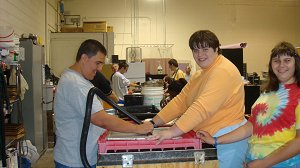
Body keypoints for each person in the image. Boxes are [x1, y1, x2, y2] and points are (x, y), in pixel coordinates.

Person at [147, 30, 248, 168]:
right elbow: (181, 101)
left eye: (205, 49)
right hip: (208, 137)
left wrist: (171, 132)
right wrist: (153, 123)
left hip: (227, 139)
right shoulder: (200, 74)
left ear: (217, 49)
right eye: (196, 50)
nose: (200, 55)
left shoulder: (223, 71)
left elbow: (202, 108)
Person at [197, 41, 300, 168]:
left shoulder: (298, 94)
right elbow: (250, 126)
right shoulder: (267, 94)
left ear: (296, 63)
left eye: (287, 60)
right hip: (252, 162)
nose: (281, 65)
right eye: (276, 60)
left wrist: (263, 163)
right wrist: (216, 140)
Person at [54, 39, 153, 168]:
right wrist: (137, 128)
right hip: (74, 160)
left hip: (79, 156)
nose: (100, 68)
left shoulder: (78, 80)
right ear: (84, 58)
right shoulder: (75, 83)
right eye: (98, 63)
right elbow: (101, 119)